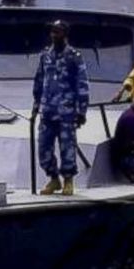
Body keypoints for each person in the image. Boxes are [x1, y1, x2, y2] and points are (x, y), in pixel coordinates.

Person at [32, 20, 89, 196]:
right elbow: (39, 81)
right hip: (47, 111)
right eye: (52, 32)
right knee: (43, 147)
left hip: (67, 111)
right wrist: (36, 106)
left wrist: (82, 111)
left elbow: (82, 83)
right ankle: (53, 178)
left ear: (65, 34)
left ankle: (68, 180)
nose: (54, 35)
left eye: (57, 32)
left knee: (67, 147)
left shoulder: (74, 56)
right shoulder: (45, 56)